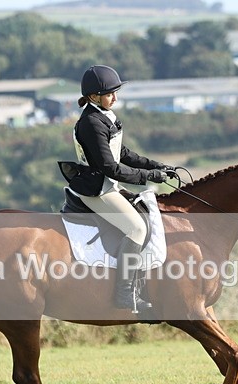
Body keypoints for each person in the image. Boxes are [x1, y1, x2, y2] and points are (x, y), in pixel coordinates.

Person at [70, 64, 171, 312]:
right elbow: (111, 168)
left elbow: (122, 153)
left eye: (116, 92)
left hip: (108, 185)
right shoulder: (92, 123)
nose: (115, 97)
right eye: (109, 94)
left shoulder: (105, 116)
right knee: (136, 228)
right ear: (94, 97)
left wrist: (157, 165)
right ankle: (124, 294)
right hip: (98, 190)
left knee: (146, 212)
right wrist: (149, 176)